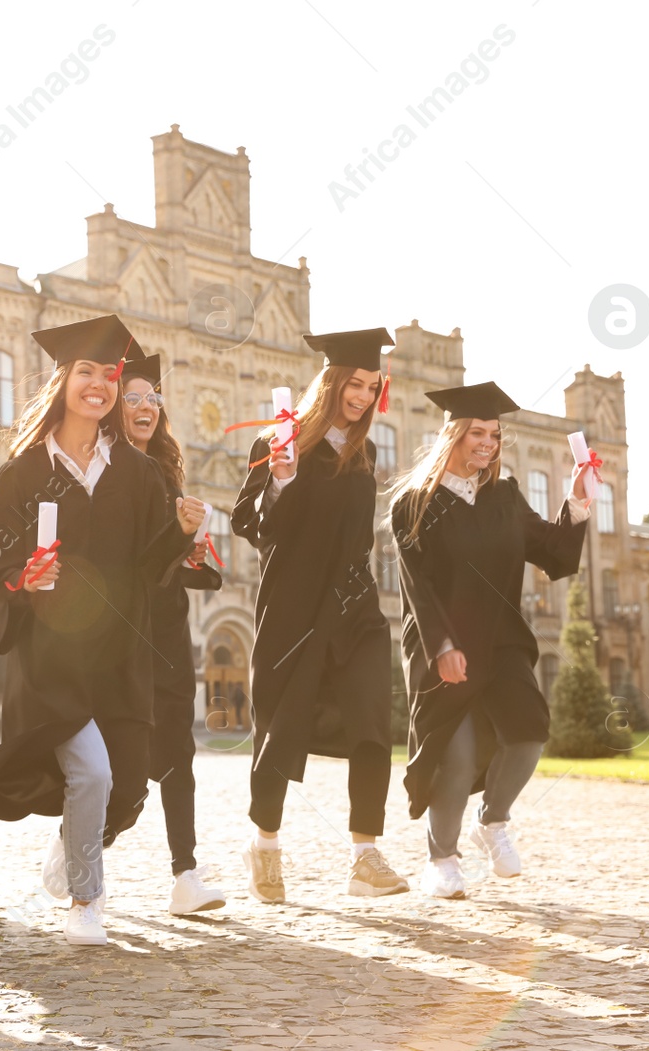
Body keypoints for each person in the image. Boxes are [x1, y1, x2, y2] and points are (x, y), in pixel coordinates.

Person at [0, 315, 204, 946]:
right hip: (53, 656)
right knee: (92, 774)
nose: (99, 384)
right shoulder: (23, 473)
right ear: (63, 379)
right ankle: (85, 901)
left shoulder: (138, 473)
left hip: (122, 653)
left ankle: (73, 846)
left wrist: (180, 534)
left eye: (110, 373)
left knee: (127, 788)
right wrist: (24, 578)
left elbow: (153, 567)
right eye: (87, 372)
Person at [388, 382, 590, 899]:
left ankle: (492, 821)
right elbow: (417, 587)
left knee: (529, 732)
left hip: (500, 640)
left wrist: (578, 505)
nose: (487, 442)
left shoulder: (504, 495)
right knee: (454, 756)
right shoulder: (414, 504)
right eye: (477, 432)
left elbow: (553, 552)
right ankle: (441, 860)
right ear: (452, 435)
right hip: (443, 644)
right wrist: (442, 647)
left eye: (494, 434)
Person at [232, 329, 408, 902]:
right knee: (281, 730)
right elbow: (248, 524)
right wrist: (281, 480)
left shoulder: (366, 453)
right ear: (331, 383)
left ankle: (364, 856)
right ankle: (265, 844)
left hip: (355, 605)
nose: (361, 396)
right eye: (353, 384)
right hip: (294, 605)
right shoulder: (277, 440)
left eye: (370, 386)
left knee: (370, 725)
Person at [118, 353, 227, 916]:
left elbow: (160, 563)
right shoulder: (103, 473)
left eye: (153, 399)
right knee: (124, 758)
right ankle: (83, 845)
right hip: (118, 630)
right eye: (133, 397)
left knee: (178, 750)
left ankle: (185, 872)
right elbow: (127, 567)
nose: (146, 407)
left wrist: (193, 554)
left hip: (166, 625)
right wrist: (174, 540)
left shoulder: (165, 472)